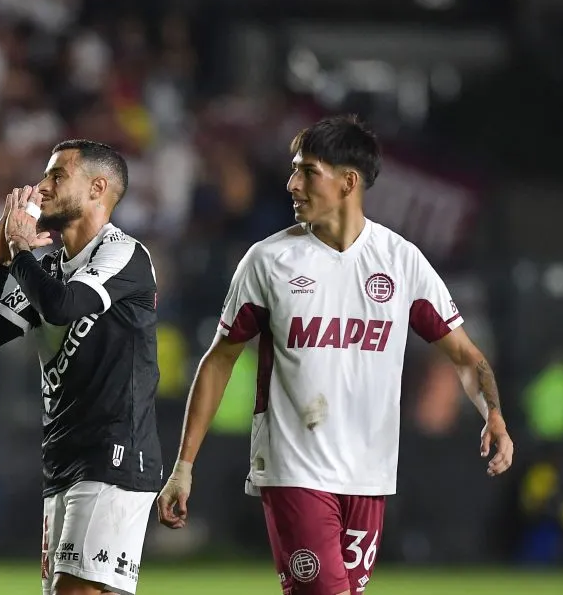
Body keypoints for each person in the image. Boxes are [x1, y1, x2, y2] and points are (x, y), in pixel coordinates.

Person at [156, 116, 514, 595]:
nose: (292, 183)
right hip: (293, 469)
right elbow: (219, 359)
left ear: (348, 182)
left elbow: (465, 354)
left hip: (369, 473)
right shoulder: (268, 261)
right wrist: (184, 465)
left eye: (307, 171)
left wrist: (492, 412)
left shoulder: (401, 261)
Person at [0, 139, 162, 595]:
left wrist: (20, 252)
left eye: (56, 176)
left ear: (97, 188)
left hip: (114, 453)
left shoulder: (123, 254)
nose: (41, 187)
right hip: (64, 459)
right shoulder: (49, 267)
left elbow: (63, 307)